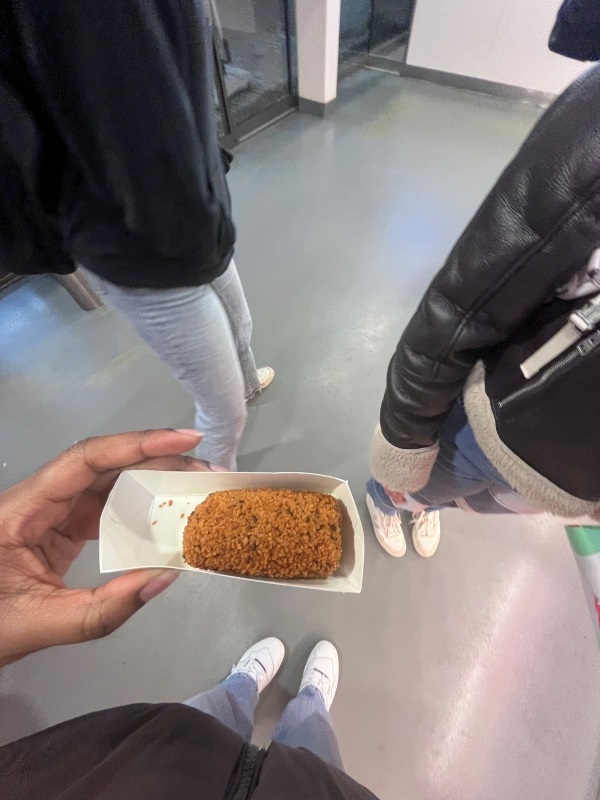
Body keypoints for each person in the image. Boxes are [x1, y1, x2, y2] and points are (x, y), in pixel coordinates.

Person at [0, 430, 377, 799]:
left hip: (154, 767)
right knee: (313, 746)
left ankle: (244, 687)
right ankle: (308, 702)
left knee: (210, 714)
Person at [0, 1, 273, 472]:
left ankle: (247, 382)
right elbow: (125, 112)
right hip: (143, 253)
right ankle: (215, 491)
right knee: (223, 414)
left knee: (241, 328)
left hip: (200, 220)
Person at [366, 65, 600, 559]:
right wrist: (405, 443)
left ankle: (424, 503)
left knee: (459, 498)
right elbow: (468, 298)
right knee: (416, 485)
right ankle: (388, 502)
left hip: (577, 480)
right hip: (506, 414)